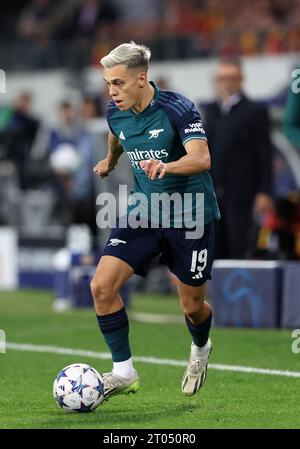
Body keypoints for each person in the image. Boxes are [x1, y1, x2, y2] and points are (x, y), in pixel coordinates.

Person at [91, 42, 220, 400]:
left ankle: (200, 348)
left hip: (191, 214)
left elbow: (202, 158)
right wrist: (110, 160)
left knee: (192, 307)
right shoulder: (114, 111)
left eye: (118, 83)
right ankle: (123, 372)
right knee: (101, 287)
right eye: (108, 84)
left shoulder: (178, 108)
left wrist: (168, 166)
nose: (111, 91)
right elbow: (117, 136)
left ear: (142, 78)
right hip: (145, 211)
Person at [203, 58, 274, 259]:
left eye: (232, 78)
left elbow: (265, 153)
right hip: (214, 194)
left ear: (241, 80)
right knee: (214, 249)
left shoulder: (255, 111)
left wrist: (264, 191)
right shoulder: (211, 111)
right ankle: (217, 291)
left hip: (242, 193)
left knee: (239, 247)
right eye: (223, 78)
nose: (227, 83)